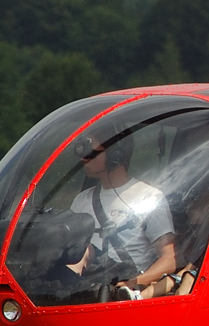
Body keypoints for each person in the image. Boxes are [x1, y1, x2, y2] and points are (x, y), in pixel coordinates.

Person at [67, 125, 176, 299]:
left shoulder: (149, 197)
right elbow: (70, 251)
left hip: (124, 293)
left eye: (91, 152)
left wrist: (130, 285)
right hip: (87, 290)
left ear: (115, 155)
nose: (84, 158)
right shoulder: (82, 200)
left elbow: (169, 259)